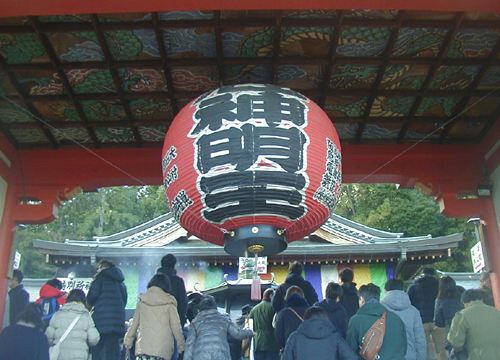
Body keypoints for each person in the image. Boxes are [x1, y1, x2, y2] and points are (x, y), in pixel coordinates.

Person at [124, 273, 186, 360]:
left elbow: (134, 323)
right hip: (162, 351)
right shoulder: (169, 303)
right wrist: (181, 345)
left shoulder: (143, 301)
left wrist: (128, 340)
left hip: (144, 348)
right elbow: (176, 327)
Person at [346, 283, 407, 360]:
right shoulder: (396, 318)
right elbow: (404, 348)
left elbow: (350, 351)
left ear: (362, 299)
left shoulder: (355, 320)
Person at [183, 295, 254, 360]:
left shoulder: (195, 322)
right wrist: (250, 332)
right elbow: (238, 334)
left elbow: (190, 345)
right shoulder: (223, 319)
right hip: (220, 355)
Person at [87, 259, 128, 360]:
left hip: (101, 320)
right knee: (113, 349)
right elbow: (124, 300)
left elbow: (92, 297)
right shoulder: (120, 282)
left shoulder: (99, 278)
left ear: (102, 267)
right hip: (116, 321)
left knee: (97, 348)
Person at [282, 306, 357, 360]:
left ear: (305, 319)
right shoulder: (335, 337)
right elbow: (352, 357)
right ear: (325, 318)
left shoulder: (294, 337)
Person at [45, 289, 100, 360]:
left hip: (60, 356)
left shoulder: (57, 315)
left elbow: (48, 338)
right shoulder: (86, 316)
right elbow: (93, 339)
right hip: (80, 356)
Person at [448, 289, 500, 360]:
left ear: (464, 303)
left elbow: (456, 343)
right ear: (482, 300)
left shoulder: (462, 315)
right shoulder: (497, 312)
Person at [381, 278, 426, 360]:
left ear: (385, 291)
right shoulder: (413, 311)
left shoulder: (379, 309)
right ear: (402, 290)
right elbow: (420, 339)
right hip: (410, 355)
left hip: (385, 355)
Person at [407, 266, 446, 360]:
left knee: (424, 348)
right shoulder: (439, 285)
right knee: (441, 349)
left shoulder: (413, 286)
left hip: (421, 322)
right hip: (438, 321)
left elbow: (409, 304)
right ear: (433, 274)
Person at [274, 286, 310, 350]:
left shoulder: (283, 313)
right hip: (308, 348)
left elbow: (278, 335)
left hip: (290, 349)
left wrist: (286, 345)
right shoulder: (311, 311)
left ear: (287, 297)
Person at [249, 289, 281, 360]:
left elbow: (250, 326)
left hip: (258, 344)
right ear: (270, 296)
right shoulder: (274, 308)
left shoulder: (254, 309)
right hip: (272, 344)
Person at [157, 254, 188, 326]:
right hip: (174, 320)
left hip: (156, 321)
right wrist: (181, 320)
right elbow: (183, 302)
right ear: (174, 265)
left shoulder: (154, 281)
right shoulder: (178, 281)